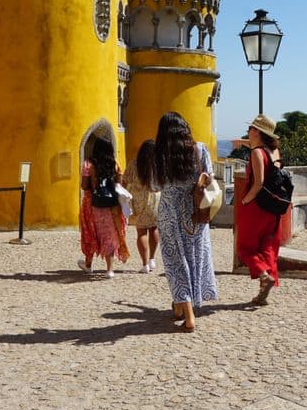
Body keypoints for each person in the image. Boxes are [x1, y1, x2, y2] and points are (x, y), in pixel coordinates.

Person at [153, 111, 217, 332]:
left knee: (175, 262)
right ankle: (183, 307)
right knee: (194, 257)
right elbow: (209, 176)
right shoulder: (199, 150)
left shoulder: (158, 155)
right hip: (194, 212)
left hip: (169, 213)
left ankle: (187, 314)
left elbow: (154, 185)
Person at [238, 114, 283, 306]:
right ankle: (263, 290)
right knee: (266, 247)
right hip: (273, 208)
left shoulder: (256, 153)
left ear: (257, 132)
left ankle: (264, 276)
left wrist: (244, 201)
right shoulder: (275, 152)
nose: (248, 132)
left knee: (245, 247)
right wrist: (243, 143)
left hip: (256, 206)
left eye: (250, 129)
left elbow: (258, 184)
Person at [78, 138, 129, 278]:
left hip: (92, 204)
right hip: (111, 205)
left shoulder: (88, 164)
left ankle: (88, 265)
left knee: (90, 233)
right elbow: (119, 184)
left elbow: (84, 185)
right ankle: (110, 270)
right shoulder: (114, 163)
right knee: (109, 234)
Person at [122, 139, 160, 274]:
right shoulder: (159, 165)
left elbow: (125, 181)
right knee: (154, 228)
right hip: (156, 199)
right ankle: (152, 259)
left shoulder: (134, 164)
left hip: (139, 201)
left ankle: (145, 265)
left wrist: (123, 197)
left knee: (141, 232)